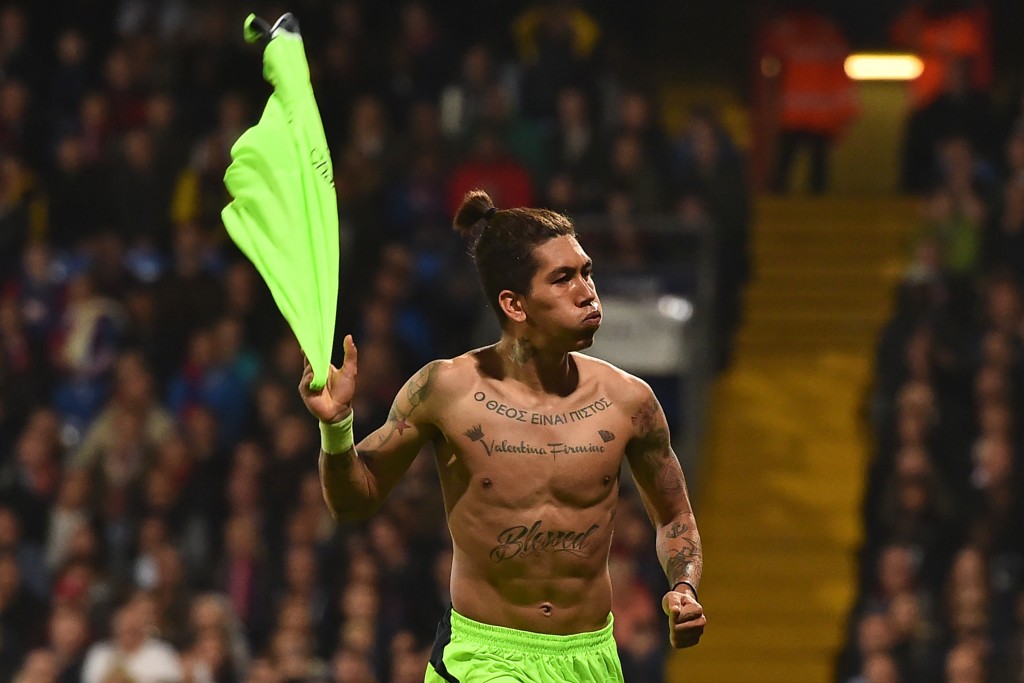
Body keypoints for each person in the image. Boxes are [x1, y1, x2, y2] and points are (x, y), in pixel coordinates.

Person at [299, 189, 706, 682]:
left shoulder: (630, 401)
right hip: (485, 657)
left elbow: (675, 516)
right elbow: (352, 502)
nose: (587, 291)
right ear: (514, 304)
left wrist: (683, 587)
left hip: (591, 657)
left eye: (587, 272)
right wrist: (336, 426)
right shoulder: (444, 389)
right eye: (563, 278)